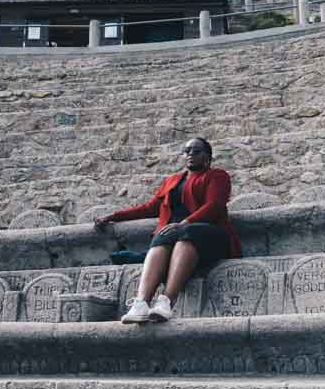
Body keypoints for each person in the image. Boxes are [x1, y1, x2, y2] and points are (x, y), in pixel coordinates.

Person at [95, 138, 241, 324]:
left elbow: (215, 205)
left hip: (211, 234)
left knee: (187, 234)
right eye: (186, 150)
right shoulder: (172, 181)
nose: (190, 154)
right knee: (161, 237)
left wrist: (185, 222)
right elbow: (149, 208)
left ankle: (166, 302)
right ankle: (141, 303)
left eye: (196, 151)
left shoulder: (217, 176)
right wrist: (113, 216)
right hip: (175, 236)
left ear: (208, 156)